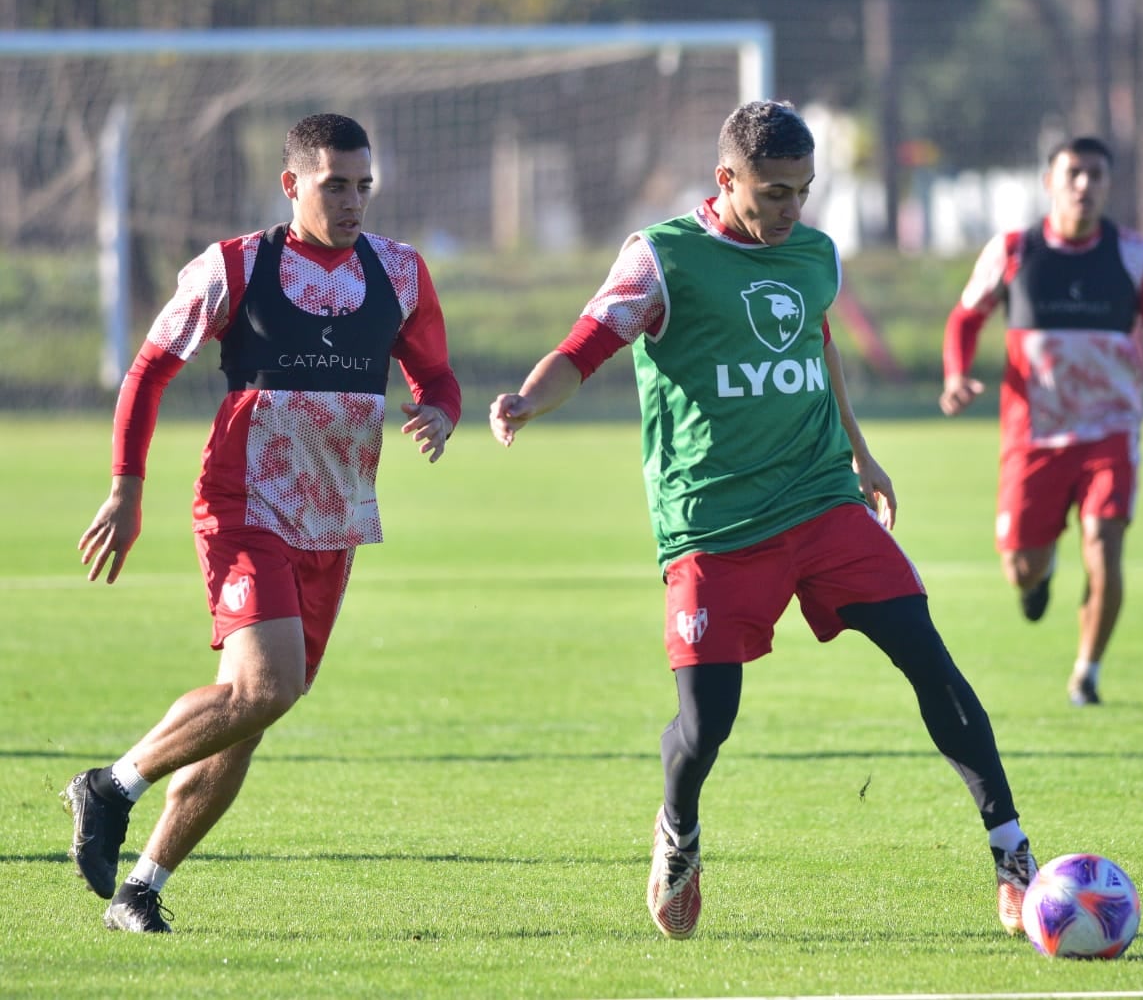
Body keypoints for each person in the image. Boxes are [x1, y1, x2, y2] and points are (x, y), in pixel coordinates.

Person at [489, 99, 1036, 940]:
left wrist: (860, 452)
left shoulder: (814, 255)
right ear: (727, 179)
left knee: (933, 663)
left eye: (803, 191)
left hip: (822, 501)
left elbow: (818, 347)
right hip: (712, 525)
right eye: (774, 192)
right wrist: (528, 399)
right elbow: (587, 345)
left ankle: (1011, 854)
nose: (790, 209)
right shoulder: (662, 259)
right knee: (707, 725)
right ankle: (678, 831)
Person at [66, 113, 462, 933]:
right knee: (265, 684)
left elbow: (437, 373)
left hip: (336, 519)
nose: (352, 201)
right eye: (333, 185)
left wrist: (441, 412)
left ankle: (140, 887)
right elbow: (149, 371)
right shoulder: (238, 267)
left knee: (251, 711)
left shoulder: (400, 271)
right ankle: (110, 785)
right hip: (244, 504)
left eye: (363, 186)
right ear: (292, 184)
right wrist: (125, 488)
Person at [939, 136, 1143, 707]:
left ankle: (1087, 672)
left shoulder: (1133, 254)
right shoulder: (1012, 252)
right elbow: (964, 319)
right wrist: (956, 374)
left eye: (1096, 174)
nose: (1084, 185)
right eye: (1073, 173)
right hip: (1034, 436)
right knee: (1020, 570)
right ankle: (1041, 571)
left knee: (1104, 545)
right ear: (1049, 181)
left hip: (1110, 431)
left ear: (1108, 184)